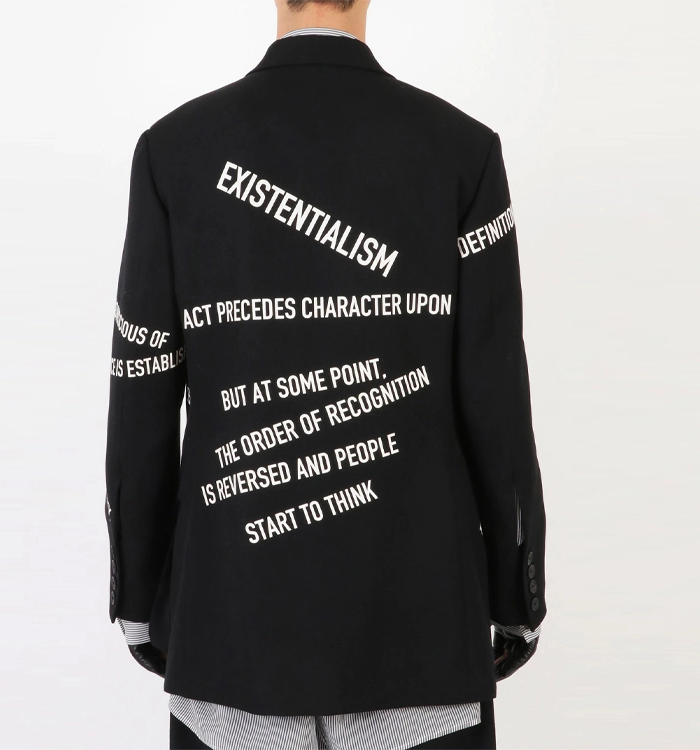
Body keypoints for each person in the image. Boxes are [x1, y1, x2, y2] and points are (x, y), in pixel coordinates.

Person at [103, 1, 547, 748]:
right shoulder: (462, 151)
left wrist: (139, 594)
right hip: (422, 646)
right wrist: (517, 591)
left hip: (231, 645)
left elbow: (142, 386)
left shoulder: (173, 152)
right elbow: (495, 394)